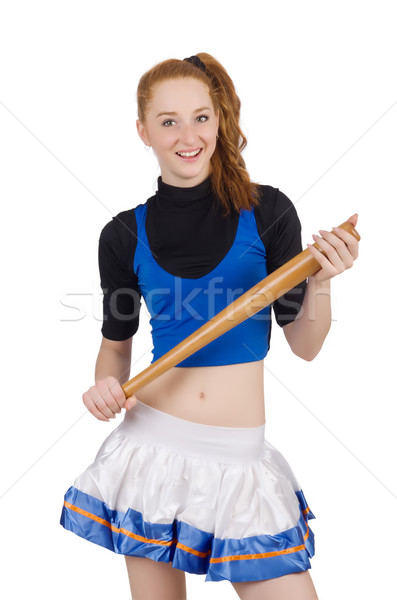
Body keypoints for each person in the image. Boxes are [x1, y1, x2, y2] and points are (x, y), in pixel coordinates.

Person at [60, 53, 359, 600]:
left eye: (201, 117)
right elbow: (114, 350)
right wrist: (104, 385)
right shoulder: (123, 234)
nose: (187, 135)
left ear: (219, 121)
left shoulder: (268, 211)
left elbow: (306, 347)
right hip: (150, 449)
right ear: (143, 131)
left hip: (240, 461)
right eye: (168, 121)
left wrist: (323, 281)